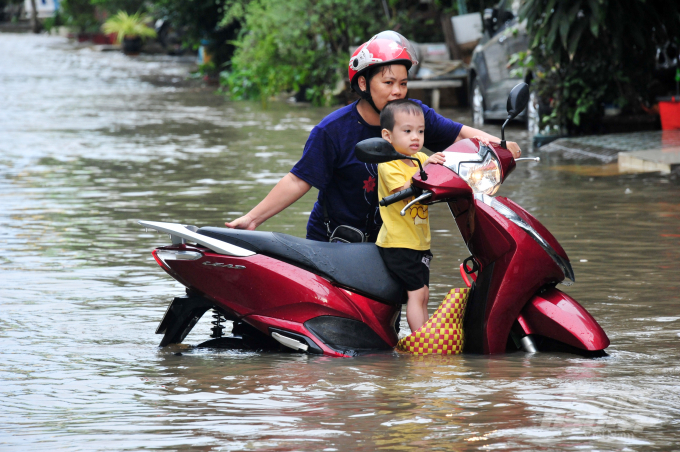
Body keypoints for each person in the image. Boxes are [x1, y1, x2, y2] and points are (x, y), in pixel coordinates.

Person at [225, 30, 521, 240]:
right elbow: (298, 179)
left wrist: (501, 146)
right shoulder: (333, 130)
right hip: (335, 242)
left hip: (391, 242)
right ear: (364, 84)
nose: (397, 92)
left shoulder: (412, 116)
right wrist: (252, 219)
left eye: (403, 84)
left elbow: (458, 135)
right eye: (388, 82)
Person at [375, 99, 442, 332]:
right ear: (387, 135)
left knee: (424, 293)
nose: (416, 137)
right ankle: (420, 341)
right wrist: (426, 170)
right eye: (407, 131)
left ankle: (424, 339)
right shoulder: (388, 164)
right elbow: (403, 191)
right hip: (398, 242)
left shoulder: (421, 159)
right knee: (416, 293)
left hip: (419, 241)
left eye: (420, 131)